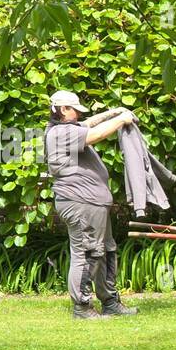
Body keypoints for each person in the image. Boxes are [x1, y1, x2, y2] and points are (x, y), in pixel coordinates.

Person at [43, 90, 138, 319]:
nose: (77, 114)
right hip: (80, 202)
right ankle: (82, 308)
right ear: (62, 109)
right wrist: (121, 120)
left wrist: (112, 112)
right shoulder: (59, 132)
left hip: (91, 202)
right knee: (86, 253)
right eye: (74, 109)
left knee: (104, 251)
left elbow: (88, 124)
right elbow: (93, 135)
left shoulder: (69, 128)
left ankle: (110, 303)